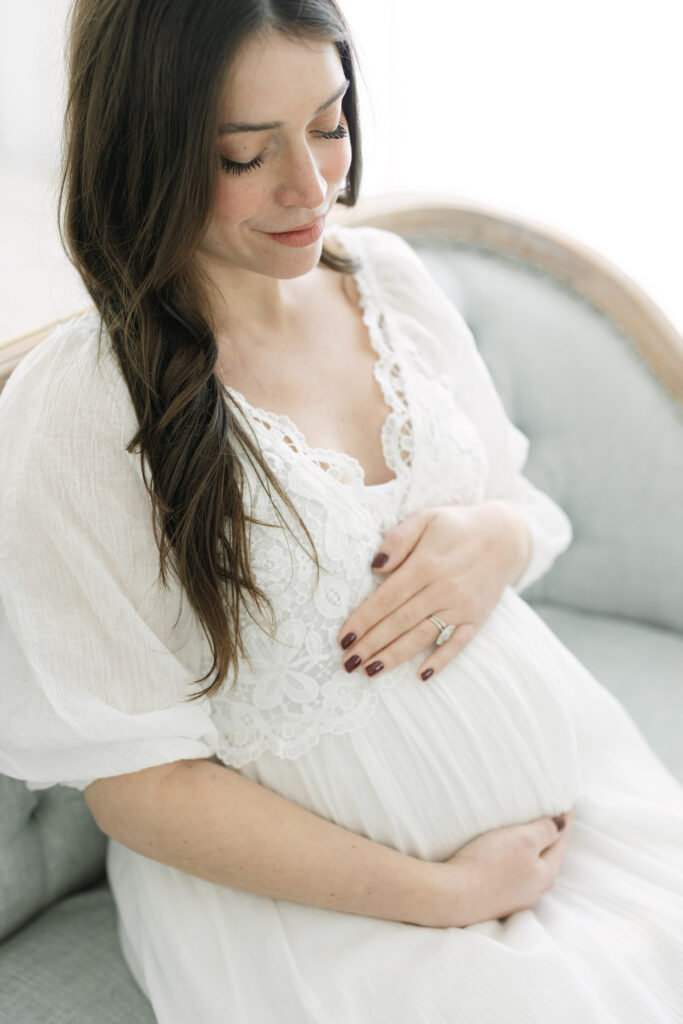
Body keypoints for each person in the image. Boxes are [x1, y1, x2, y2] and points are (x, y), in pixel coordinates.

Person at [0, 0, 682, 1021]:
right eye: (244, 156)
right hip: (327, 913)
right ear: (142, 148)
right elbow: (137, 784)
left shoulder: (389, 285)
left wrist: (489, 541)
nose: (312, 187)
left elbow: (519, 507)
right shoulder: (80, 409)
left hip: (580, 801)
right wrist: (445, 892)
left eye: (328, 124)